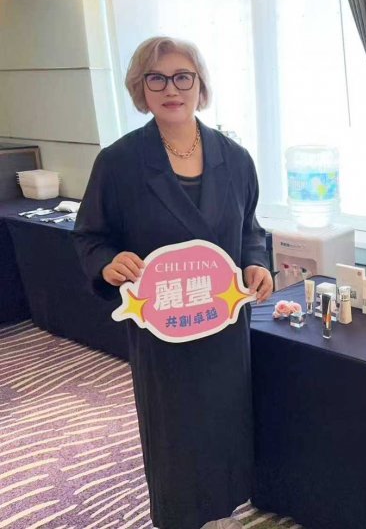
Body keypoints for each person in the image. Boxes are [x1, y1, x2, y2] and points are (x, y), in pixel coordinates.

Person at [73, 36, 273, 529]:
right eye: (156, 78)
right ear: (140, 89)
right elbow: (91, 237)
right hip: (162, 326)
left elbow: (250, 230)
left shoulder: (235, 158)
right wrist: (108, 263)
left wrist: (256, 263)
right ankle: (179, 517)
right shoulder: (119, 163)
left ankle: (226, 509)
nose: (171, 88)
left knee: (225, 420)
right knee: (174, 431)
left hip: (222, 321)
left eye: (183, 76)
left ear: (200, 85)